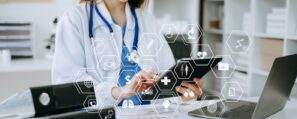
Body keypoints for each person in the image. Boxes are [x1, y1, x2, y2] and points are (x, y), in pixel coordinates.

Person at [52, 0, 203, 107]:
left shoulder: (147, 20)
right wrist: (117, 92)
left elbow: (167, 79)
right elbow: (67, 86)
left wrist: (183, 94)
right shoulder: (75, 18)